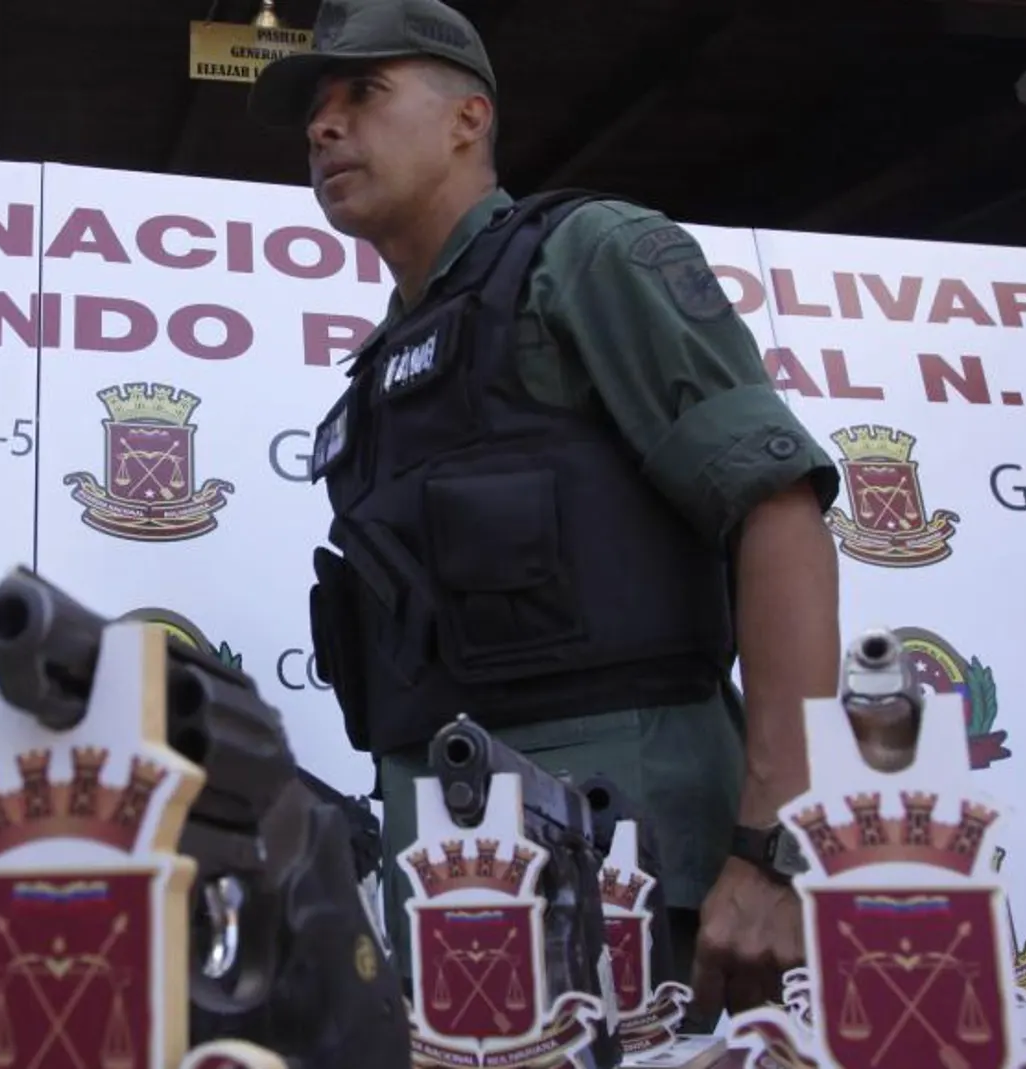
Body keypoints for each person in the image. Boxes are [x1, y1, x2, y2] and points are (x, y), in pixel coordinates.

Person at [247, 0, 844, 1030]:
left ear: (466, 119)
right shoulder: (379, 374)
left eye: (362, 93)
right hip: (455, 900)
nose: (321, 127)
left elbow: (777, 509)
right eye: (314, 109)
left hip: (641, 896)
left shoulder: (588, 256)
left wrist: (777, 849)